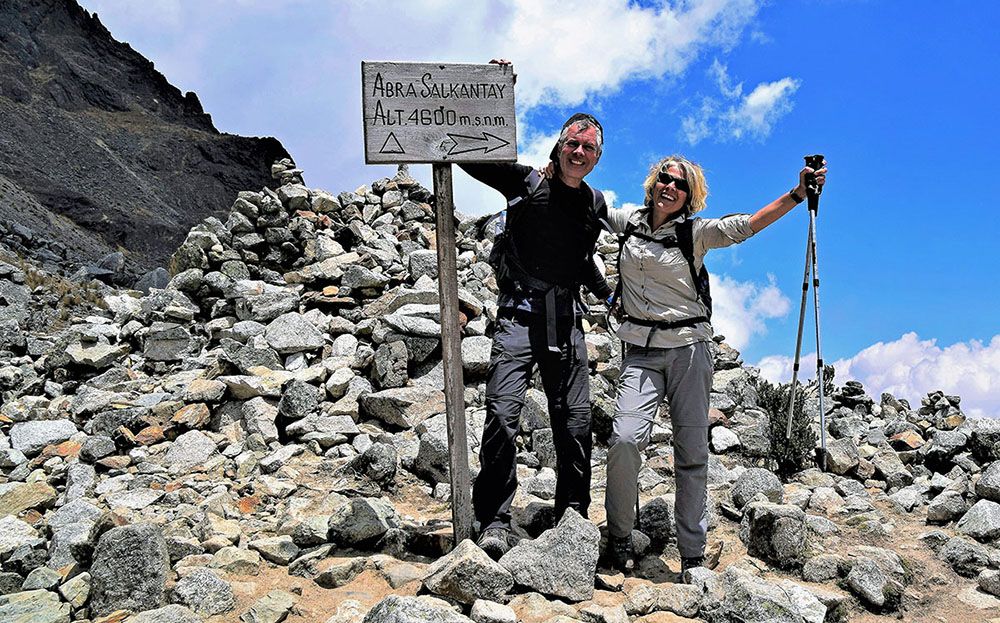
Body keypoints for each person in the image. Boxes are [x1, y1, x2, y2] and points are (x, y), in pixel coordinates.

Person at [601, 154, 827, 578]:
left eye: (680, 184)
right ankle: (618, 536)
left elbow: (747, 225)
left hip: (690, 349)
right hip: (640, 350)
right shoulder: (626, 222)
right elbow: (583, 204)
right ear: (653, 182)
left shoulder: (695, 233)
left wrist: (798, 194)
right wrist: (552, 175)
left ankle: (691, 551)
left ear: (690, 195)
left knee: (691, 453)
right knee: (625, 439)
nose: (670, 187)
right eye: (665, 178)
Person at [459, 112, 613, 559]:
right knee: (503, 415)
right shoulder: (526, 182)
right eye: (573, 144)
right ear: (559, 146)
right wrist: (484, 92)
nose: (579, 152)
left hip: (566, 321)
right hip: (518, 315)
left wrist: (606, 294)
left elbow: (579, 257)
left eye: (588, 148)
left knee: (576, 423)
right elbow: (472, 157)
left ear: (597, 157)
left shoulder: (594, 203)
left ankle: (572, 517)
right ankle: (494, 520)